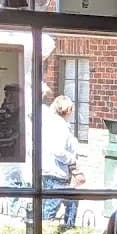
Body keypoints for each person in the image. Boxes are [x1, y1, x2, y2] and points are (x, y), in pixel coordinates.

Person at [43, 94, 84, 225]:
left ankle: (66, 229)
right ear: (68, 110)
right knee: (51, 208)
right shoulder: (60, 126)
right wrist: (72, 159)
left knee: (70, 202)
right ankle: (64, 230)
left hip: (51, 171)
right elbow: (58, 150)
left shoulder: (51, 123)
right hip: (57, 173)